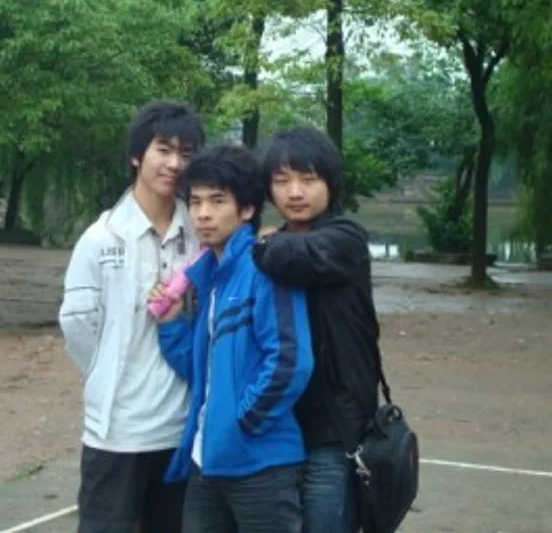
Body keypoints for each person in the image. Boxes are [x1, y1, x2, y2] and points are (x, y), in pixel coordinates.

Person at [150, 144, 314, 533]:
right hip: (206, 460)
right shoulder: (211, 279)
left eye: (218, 201)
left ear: (247, 209)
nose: (203, 214)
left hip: (260, 464)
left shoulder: (264, 267)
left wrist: (241, 422)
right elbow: (202, 370)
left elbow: (290, 360)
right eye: (195, 202)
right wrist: (172, 324)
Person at [59, 100, 206, 533]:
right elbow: (78, 327)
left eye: (186, 153)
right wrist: (108, 373)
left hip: (180, 429)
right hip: (117, 431)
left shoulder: (200, 235)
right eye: (164, 149)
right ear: (137, 155)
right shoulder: (101, 240)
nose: (175, 164)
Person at [252, 126, 382, 533]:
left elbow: (297, 257)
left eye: (308, 180)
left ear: (330, 183)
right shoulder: (275, 242)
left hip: (333, 430)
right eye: (281, 181)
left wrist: (257, 244)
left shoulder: (345, 239)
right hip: (280, 424)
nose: (295, 192)